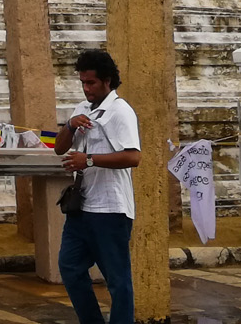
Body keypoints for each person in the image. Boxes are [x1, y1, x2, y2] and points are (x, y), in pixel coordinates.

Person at [54, 49, 142, 324]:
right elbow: (59, 148)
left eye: (91, 82)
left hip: (110, 209)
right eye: (82, 82)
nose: (86, 88)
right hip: (81, 206)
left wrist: (88, 160)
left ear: (107, 81)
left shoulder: (121, 112)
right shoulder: (81, 108)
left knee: (117, 280)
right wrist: (69, 125)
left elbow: (133, 157)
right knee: (69, 267)